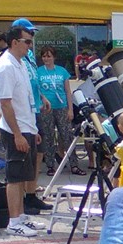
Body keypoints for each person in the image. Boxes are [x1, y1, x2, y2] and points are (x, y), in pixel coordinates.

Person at [0, 25, 46, 237]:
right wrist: (17, 134)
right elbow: (5, 104)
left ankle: (21, 217)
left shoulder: (20, 64)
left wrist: (32, 129)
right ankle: (13, 222)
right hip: (15, 130)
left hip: (26, 127)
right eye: (27, 42)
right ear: (14, 42)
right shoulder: (6, 66)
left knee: (24, 175)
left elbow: (25, 100)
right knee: (15, 177)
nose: (30, 46)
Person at [36, 46, 75, 175]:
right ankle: (50, 165)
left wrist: (70, 109)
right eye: (44, 56)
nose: (46, 59)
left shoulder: (62, 71)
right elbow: (37, 90)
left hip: (62, 107)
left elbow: (68, 91)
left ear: (54, 57)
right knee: (48, 137)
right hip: (46, 109)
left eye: (49, 56)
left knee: (67, 135)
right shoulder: (38, 72)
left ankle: (74, 164)